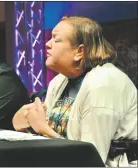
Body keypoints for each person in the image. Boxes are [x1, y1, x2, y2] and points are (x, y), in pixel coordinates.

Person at [12, 16, 137, 167]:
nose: (47, 44)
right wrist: (25, 125)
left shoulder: (104, 84)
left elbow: (91, 160)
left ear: (79, 51)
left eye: (56, 39)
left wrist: (43, 130)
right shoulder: (59, 81)